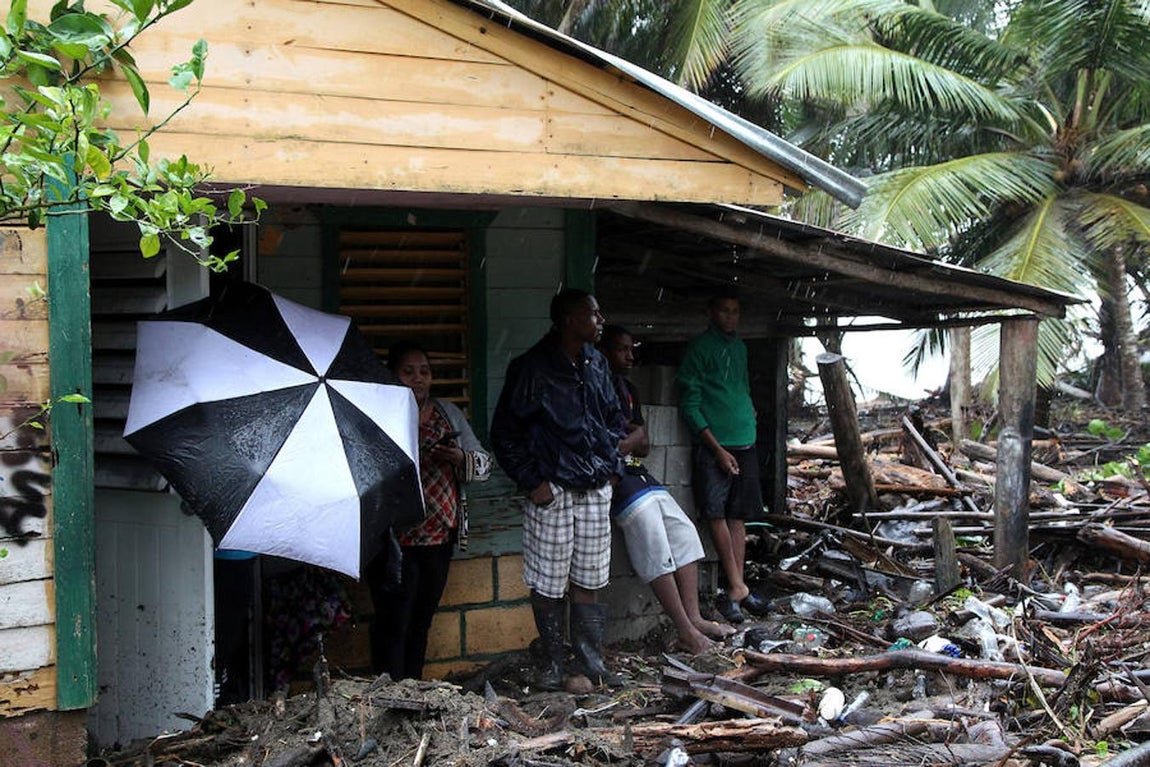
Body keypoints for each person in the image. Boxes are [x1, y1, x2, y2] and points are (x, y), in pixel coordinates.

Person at [489, 289, 625, 689]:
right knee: (548, 584)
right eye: (593, 314)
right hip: (554, 490)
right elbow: (505, 434)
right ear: (569, 320)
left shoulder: (597, 363)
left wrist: (613, 468)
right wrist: (533, 482)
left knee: (590, 579)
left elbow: (614, 420)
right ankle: (553, 664)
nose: (601, 321)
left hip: (595, 487)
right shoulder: (532, 368)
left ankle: (590, 663)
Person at [599, 325, 735, 654]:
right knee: (654, 542)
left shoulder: (628, 389)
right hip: (613, 479)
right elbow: (610, 443)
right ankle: (685, 631)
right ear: (604, 352)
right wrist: (629, 438)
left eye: (632, 349)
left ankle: (694, 617)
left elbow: (642, 445)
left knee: (684, 532)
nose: (630, 356)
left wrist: (627, 439)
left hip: (638, 474)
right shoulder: (595, 386)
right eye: (622, 349)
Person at [366, 340, 490, 680]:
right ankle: (387, 692)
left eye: (424, 372)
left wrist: (459, 459)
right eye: (408, 372)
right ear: (393, 376)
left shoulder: (447, 413)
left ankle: (413, 691)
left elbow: (483, 467)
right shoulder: (380, 417)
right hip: (394, 541)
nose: (417, 379)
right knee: (394, 621)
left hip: (438, 537)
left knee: (421, 621)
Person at [676, 289, 768, 624]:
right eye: (724, 310)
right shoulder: (699, 349)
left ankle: (736, 588)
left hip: (745, 438)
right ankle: (736, 585)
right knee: (715, 513)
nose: (730, 317)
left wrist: (750, 410)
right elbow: (690, 403)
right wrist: (716, 449)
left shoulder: (740, 348)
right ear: (711, 312)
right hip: (714, 444)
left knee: (737, 515)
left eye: (735, 311)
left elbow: (740, 386)